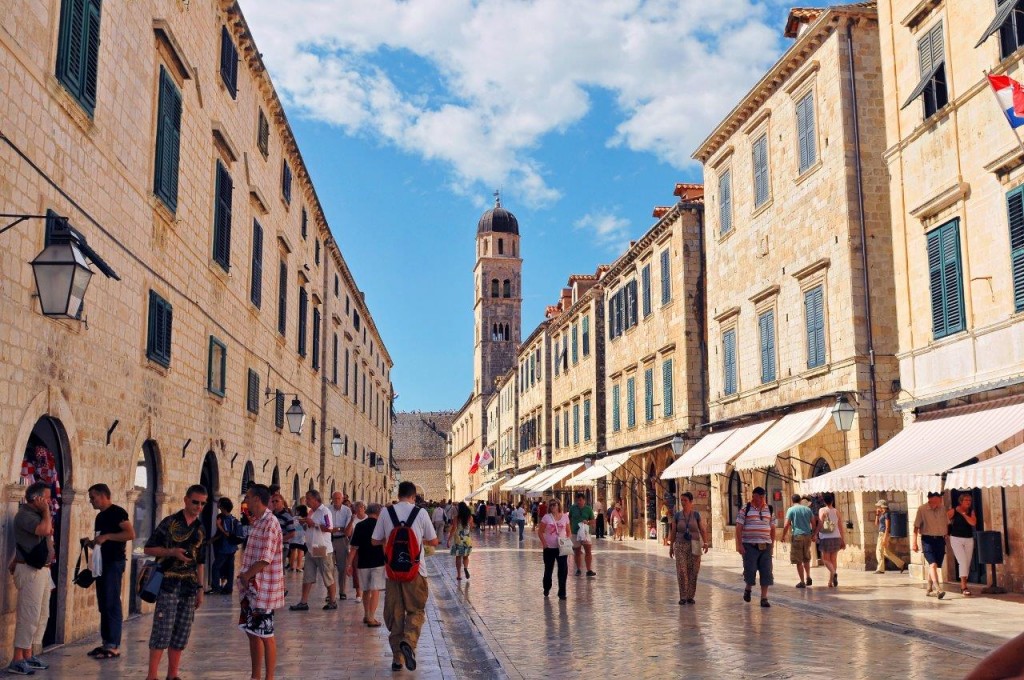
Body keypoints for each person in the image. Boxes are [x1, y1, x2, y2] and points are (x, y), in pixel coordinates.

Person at [371, 480, 439, 672]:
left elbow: (375, 540)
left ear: (398, 494)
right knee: (416, 610)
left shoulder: (386, 512)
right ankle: (408, 642)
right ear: (413, 496)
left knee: (396, 613)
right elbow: (434, 540)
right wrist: (418, 538)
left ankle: (397, 659)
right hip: (416, 571)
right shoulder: (421, 513)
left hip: (392, 571)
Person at [144, 484, 208, 680]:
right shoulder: (169, 523)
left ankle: (173, 675)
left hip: (188, 587)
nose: (198, 506)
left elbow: (200, 562)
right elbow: (149, 549)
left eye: (203, 504)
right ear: (186, 500)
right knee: (162, 630)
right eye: (195, 502)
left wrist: (200, 588)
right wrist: (171, 552)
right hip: (168, 583)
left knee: (181, 632)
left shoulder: (200, 530)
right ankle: (152, 676)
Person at [236, 484, 285, 680]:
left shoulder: (270, 523)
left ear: (257, 499)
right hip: (251, 590)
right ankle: (255, 676)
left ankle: (269, 677)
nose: (245, 500)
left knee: (266, 634)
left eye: (248, 496)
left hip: (263, 588)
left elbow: (265, 558)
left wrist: (246, 575)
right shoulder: (257, 522)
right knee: (252, 632)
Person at [83, 483, 135, 659]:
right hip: (102, 564)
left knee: (112, 602)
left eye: (93, 497)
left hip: (114, 563)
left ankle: (114, 644)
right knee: (103, 602)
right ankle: (107, 642)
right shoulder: (100, 517)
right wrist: (91, 542)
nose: (91, 501)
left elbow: (130, 534)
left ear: (103, 495)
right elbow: (101, 541)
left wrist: (107, 536)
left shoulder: (117, 512)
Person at [7, 482, 53, 675]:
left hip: (42, 570)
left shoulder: (38, 516)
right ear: (37, 498)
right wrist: (46, 512)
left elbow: (48, 533)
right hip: (30, 570)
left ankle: (28, 654)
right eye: (47, 498)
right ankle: (17, 658)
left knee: (42, 613)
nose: (49, 502)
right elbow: (44, 531)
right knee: (29, 614)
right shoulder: (25, 515)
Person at [289, 490, 338, 611]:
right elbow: (309, 527)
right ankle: (303, 602)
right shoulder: (311, 512)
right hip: (311, 548)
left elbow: (329, 528)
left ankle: (332, 601)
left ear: (316, 499)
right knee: (307, 576)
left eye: (308, 499)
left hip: (321, 548)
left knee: (327, 575)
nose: (306, 501)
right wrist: (303, 523)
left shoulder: (325, 511)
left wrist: (314, 524)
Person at [735, 486, 776, 608]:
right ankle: (748, 588)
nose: (758, 499)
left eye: (761, 497)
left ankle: (764, 598)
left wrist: (772, 544)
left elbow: (772, 528)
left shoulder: (769, 509)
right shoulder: (745, 508)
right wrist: (739, 544)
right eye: (756, 497)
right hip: (750, 545)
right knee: (750, 570)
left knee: (766, 571)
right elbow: (738, 527)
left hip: (765, 546)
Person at [348, 503, 386, 626]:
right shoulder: (381, 526)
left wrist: (349, 565)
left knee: (366, 590)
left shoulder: (359, 526)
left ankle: (366, 614)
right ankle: (371, 617)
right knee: (375, 590)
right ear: (378, 512)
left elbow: (354, 547)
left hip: (363, 562)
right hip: (378, 562)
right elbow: (384, 545)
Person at [668, 491, 708, 605]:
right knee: (681, 570)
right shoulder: (677, 516)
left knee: (693, 571)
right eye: (681, 500)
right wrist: (671, 547)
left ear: (691, 502)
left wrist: (705, 543)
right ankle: (683, 596)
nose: (683, 502)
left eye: (685, 500)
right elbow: (674, 531)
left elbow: (702, 529)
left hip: (695, 544)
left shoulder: (696, 515)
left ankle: (690, 596)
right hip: (680, 545)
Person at [914, 491, 948, 599]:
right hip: (927, 540)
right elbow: (916, 527)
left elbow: (946, 522)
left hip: (940, 539)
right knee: (932, 564)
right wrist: (914, 543)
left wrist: (946, 533)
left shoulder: (942, 508)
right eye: (939, 497)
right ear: (932, 498)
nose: (941, 499)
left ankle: (929, 588)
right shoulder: (922, 509)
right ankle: (938, 588)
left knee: (935, 565)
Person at [780, 494, 815, 588]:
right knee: (806, 558)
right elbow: (813, 521)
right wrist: (813, 534)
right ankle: (808, 576)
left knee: (799, 560)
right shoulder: (807, 509)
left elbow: (787, 524)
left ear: (792, 501)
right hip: (807, 536)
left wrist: (783, 536)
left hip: (797, 536)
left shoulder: (791, 510)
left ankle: (802, 581)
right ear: (800, 500)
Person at [538, 499, 570, 600]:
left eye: (554, 505)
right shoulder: (546, 517)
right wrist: (544, 544)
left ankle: (562, 592)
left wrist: (566, 540)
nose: (552, 507)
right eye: (550, 505)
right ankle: (546, 587)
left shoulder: (565, 517)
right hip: (549, 548)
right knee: (548, 570)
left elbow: (569, 531)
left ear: (558, 505)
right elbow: (540, 532)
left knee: (563, 570)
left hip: (562, 547)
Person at [948, 492, 977, 596]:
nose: (968, 502)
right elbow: (945, 519)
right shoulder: (954, 510)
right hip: (956, 538)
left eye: (969, 500)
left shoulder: (971, 512)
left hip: (969, 539)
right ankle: (963, 587)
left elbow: (973, 523)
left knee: (967, 563)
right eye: (966, 500)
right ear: (961, 501)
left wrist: (963, 514)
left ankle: (964, 584)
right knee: (963, 562)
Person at [815, 492, 846, 588]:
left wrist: (815, 534)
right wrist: (843, 540)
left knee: (825, 560)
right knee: (833, 560)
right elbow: (840, 526)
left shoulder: (822, 510)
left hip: (826, 537)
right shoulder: (836, 511)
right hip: (836, 537)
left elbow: (820, 524)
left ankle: (834, 573)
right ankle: (830, 582)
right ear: (832, 500)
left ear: (824, 501)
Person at [209, 497, 239, 594]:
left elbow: (226, 533)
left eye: (220, 503)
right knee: (230, 568)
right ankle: (228, 588)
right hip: (232, 548)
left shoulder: (225, 519)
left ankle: (216, 588)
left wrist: (219, 527)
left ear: (223, 506)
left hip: (225, 548)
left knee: (216, 567)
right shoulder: (231, 518)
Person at [328, 491, 353, 600]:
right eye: (335, 498)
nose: (337, 500)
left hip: (341, 540)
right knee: (329, 567)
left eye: (339, 498)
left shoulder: (347, 511)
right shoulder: (327, 509)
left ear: (342, 499)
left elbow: (347, 529)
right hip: (329, 539)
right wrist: (339, 528)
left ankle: (342, 591)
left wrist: (337, 529)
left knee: (342, 567)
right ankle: (330, 593)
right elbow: (327, 526)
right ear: (332, 499)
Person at [874, 499, 905, 575]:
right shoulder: (882, 514)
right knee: (885, 552)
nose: (878, 507)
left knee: (879, 551)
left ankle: (880, 569)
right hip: (881, 533)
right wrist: (877, 515)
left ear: (882, 506)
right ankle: (901, 564)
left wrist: (885, 537)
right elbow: (876, 524)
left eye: (879, 506)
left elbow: (887, 527)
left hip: (884, 534)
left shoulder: (887, 514)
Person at [568, 493, 596, 577]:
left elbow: (593, 521)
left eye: (580, 500)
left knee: (588, 551)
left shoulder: (588, 509)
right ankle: (578, 569)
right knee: (577, 552)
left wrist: (587, 522)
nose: (579, 502)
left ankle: (589, 570)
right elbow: (569, 519)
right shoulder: (572, 508)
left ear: (584, 500)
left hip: (586, 533)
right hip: (575, 533)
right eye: (577, 500)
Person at [447, 502, 473, 581]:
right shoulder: (470, 517)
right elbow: (471, 528)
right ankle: (465, 568)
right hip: (467, 538)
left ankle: (459, 575)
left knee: (458, 557)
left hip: (458, 539)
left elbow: (454, 528)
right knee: (466, 556)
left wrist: (449, 539)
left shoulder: (456, 518)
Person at [348, 501, 368, 602]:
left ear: (364, 508)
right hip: (355, 547)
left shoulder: (368, 519)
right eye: (357, 507)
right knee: (356, 570)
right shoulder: (353, 519)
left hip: (367, 548)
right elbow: (347, 533)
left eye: (361, 507)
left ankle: (365, 591)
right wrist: (351, 521)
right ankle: (358, 593)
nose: (359, 509)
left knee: (365, 569)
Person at [270, 494, 295, 570]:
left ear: (282, 502)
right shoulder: (271, 515)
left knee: (279, 569)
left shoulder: (287, 516)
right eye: (273, 501)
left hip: (283, 546)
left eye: (276, 501)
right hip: (271, 546)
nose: (274, 503)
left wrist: (279, 540)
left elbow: (292, 533)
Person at [288, 504, 307, 573]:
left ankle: (291, 566)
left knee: (293, 551)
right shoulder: (306, 518)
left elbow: (293, 526)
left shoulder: (295, 518)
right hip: (301, 537)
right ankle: (298, 567)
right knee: (300, 551)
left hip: (294, 537)